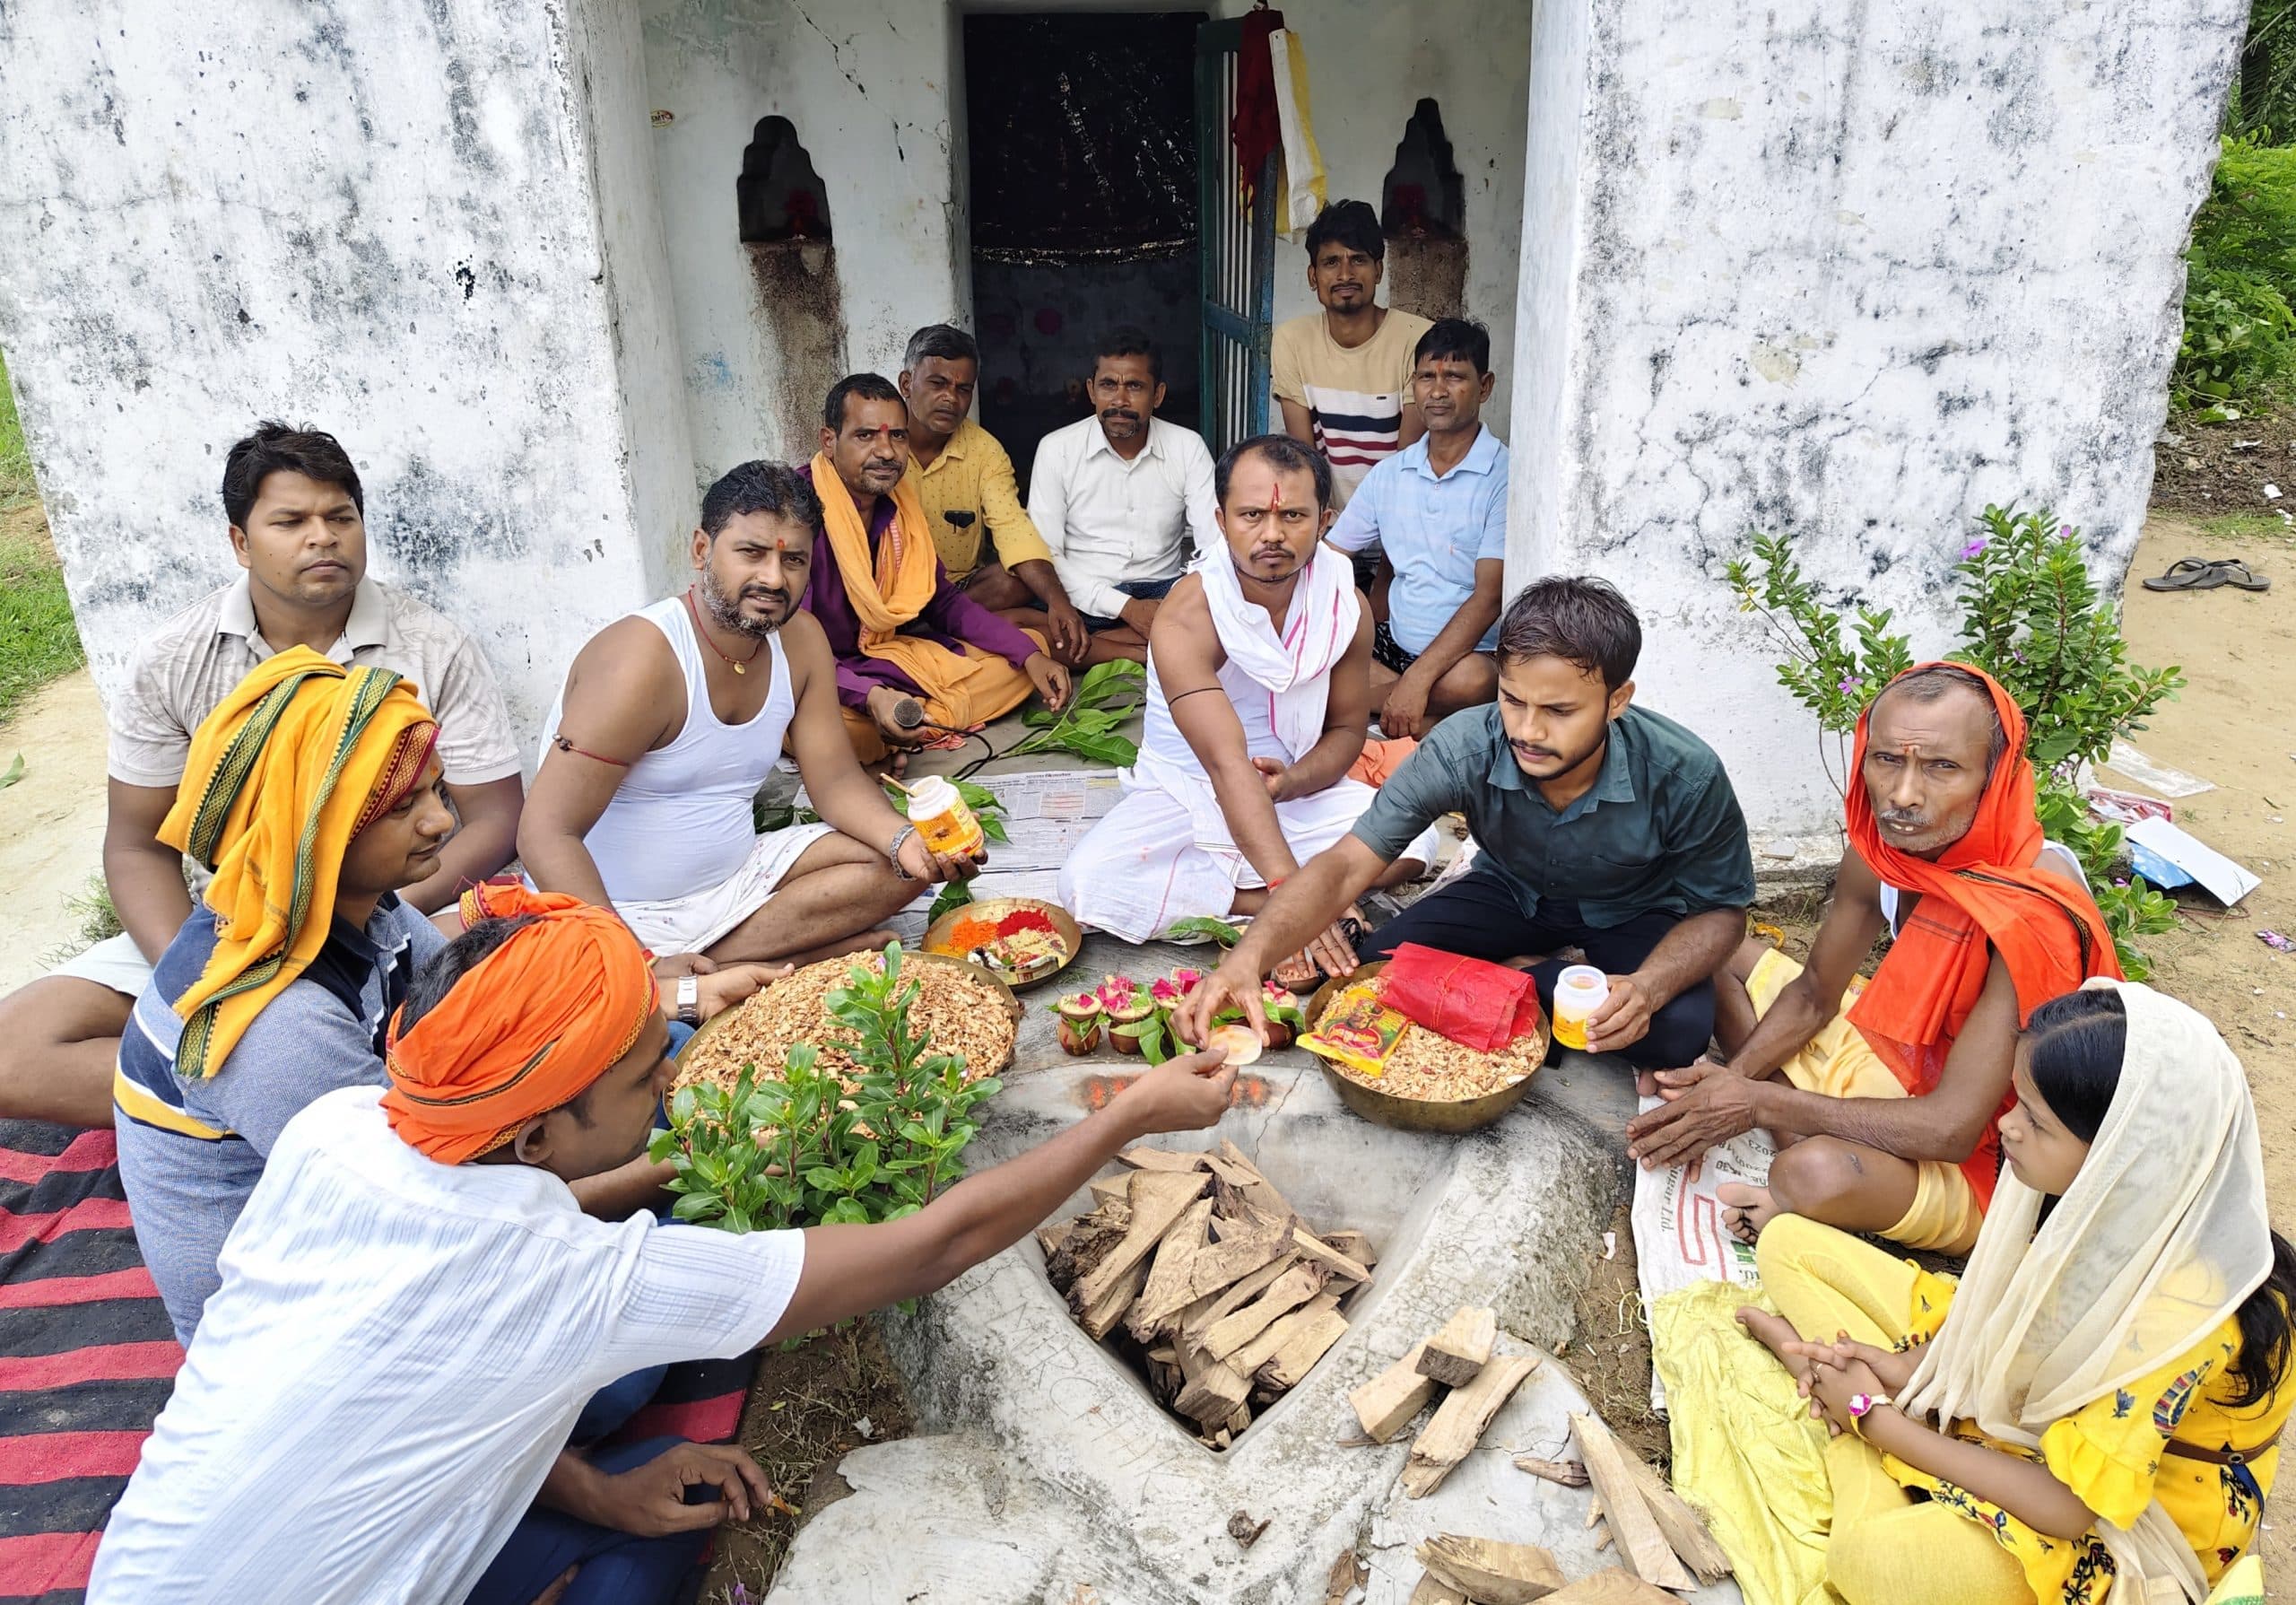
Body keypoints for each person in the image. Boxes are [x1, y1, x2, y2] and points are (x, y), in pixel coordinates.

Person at [86, 889, 1241, 1604]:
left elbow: (426, 1375)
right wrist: (1126, 1114)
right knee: (657, 1561)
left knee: (640, 1515)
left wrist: (596, 1489)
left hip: (138, 1578)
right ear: (539, 1131)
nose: (678, 1076)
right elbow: (938, 1240)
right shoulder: (565, 1273)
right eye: (648, 1072)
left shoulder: (344, 1129)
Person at [0, 423, 522, 1130]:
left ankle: (301, 1095)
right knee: (12, 1051)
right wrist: (205, 983)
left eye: (341, 517)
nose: (324, 537)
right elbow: (135, 846)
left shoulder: (430, 645)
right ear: (240, 542)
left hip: (399, 903)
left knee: (523, 964)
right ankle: (270, 1104)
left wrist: (355, 916)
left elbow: (493, 818)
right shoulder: (174, 659)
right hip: (222, 925)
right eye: (291, 520)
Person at [1737, 981, 2292, 1605]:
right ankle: (1851, 1404)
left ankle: (1840, 1424)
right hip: (2032, 1420)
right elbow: (2008, 1325)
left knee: (1870, 1562)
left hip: (2121, 1525)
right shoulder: (2107, 1202)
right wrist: (1902, 1367)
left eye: (2036, 1118)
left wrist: (1877, 1421)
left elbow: (2068, 1509)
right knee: (1789, 1243)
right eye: (2018, 1099)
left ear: (2119, 1155)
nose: (2006, 1125)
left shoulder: (2187, 1312)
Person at [1624, 663, 2121, 1256]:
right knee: (1714, 950)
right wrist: (1735, 1083)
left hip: (1996, 1152)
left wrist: (1757, 1101)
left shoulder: (2029, 906)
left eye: (1942, 767)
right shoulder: (1883, 848)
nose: (1904, 794)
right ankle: (1796, 1130)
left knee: (1812, 1176)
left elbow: (1953, 1129)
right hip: (1903, 1057)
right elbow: (1814, 994)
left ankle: (1803, 1153)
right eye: (1887, 759)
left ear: (1995, 776)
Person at [1177, 577, 1755, 1070]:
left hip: (1634, 908)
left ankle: (1524, 977)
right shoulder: (1464, 746)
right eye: (1512, 700)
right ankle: (1535, 976)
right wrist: (1245, 960)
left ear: (1617, 700)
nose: (1527, 731)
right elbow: (1347, 864)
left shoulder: (1686, 774)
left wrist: (1650, 985)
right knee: (1380, 974)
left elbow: (1723, 913)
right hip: (1511, 890)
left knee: (1676, 1032)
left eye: (1558, 711)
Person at [520, 460, 985, 964]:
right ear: (702, 549)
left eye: (793, 561)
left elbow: (833, 781)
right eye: (751, 553)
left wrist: (904, 842)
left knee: (906, 865)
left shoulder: (802, 640)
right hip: (621, 911)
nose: (772, 578)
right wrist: (635, 962)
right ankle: (698, 963)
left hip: (740, 880)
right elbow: (545, 833)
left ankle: (721, 960)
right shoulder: (643, 660)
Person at [1058, 435, 1437, 960]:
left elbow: (1347, 731)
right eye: (1252, 515)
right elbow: (1225, 764)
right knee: (1088, 882)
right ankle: (1264, 900)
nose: (1272, 534)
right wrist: (1292, 901)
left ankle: (1272, 888)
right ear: (1221, 520)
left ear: (1325, 521)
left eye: (1294, 517)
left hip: (1291, 789)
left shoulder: (1342, 604)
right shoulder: (1186, 615)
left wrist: (1293, 781)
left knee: (1418, 838)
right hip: (1187, 790)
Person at [797, 374, 1072, 763]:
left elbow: (943, 604)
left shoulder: (899, 507)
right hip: (824, 675)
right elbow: (791, 651)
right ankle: (907, 721)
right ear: (829, 441)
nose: (887, 452)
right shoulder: (795, 515)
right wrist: (870, 697)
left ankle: (907, 724)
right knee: (826, 724)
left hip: (888, 659)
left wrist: (1028, 655)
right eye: (865, 436)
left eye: (897, 436)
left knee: (1030, 654)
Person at [1326, 318, 1506, 737]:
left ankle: (1362, 710)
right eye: (1427, 376)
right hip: (1391, 650)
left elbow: (1489, 597)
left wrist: (1419, 681)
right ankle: (1423, 722)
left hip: (1465, 662)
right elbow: (1332, 557)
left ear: (1485, 387)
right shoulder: (1391, 473)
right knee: (1327, 641)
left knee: (1477, 681)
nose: (1438, 391)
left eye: (1455, 377)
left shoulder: (1504, 476)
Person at [896, 324, 1090, 667]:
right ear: (907, 384)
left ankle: (927, 630)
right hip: (889, 588)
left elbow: (1014, 530)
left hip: (958, 591)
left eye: (963, 389)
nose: (951, 399)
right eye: (938, 384)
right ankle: (934, 629)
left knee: (1018, 579)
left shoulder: (985, 451)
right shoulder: (881, 443)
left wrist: (1058, 601)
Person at [1026, 327, 1221, 666]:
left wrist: (1179, 600)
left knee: (1219, 612)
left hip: (1161, 591)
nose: (1120, 401)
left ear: (1157, 395)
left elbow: (1213, 548)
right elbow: (1047, 553)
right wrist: (1127, 609)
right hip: (1082, 591)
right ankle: (1148, 653)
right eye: (1108, 385)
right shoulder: (1056, 449)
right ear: (1091, 390)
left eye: (1134, 386)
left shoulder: (1187, 447)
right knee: (1007, 625)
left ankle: (1096, 649)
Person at [1272, 198, 1433, 509]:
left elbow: (1408, 465)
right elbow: (1305, 462)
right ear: (1312, 276)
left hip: (1402, 518)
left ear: (1379, 271)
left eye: (1358, 260)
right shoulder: (1292, 340)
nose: (1345, 274)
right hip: (1328, 526)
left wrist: (1390, 551)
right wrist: (1326, 545)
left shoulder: (1418, 338)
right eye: (1331, 262)